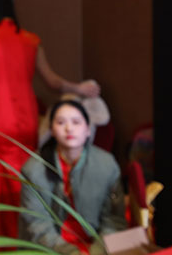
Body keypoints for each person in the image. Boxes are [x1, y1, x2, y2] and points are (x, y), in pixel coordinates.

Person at [0, 0, 100, 239]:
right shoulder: (31, 41)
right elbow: (52, 81)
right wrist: (80, 88)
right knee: (26, 175)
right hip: (26, 117)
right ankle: (29, 238)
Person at [20, 99, 125, 254]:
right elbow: (37, 224)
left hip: (96, 246)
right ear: (52, 130)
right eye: (61, 122)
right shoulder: (33, 169)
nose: (69, 128)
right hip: (50, 248)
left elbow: (114, 220)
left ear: (88, 129)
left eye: (76, 122)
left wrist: (97, 251)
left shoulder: (107, 165)